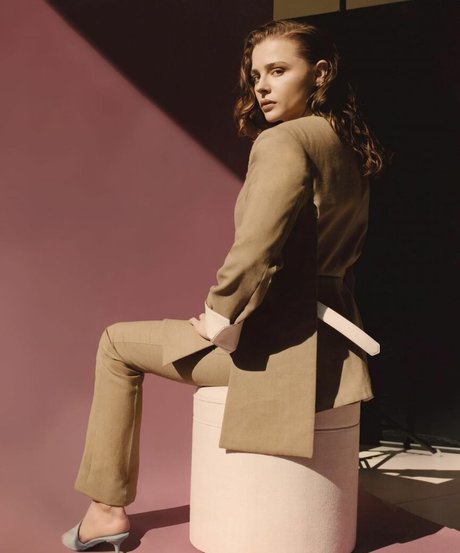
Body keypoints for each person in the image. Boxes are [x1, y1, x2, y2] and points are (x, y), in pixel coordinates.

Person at [62, 19, 385, 553]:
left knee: (116, 344)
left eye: (277, 71)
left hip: (280, 349)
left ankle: (104, 512)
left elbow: (256, 249)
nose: (261, 86)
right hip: (335, 344)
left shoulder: (283, 141)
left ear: (320, 73)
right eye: (256, 75)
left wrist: (218, 318)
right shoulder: (347, 147)